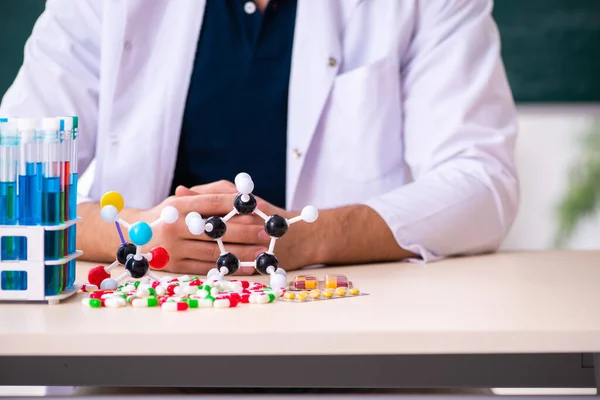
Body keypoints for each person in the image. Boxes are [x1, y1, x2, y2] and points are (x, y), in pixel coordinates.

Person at [0, 0, 519, 275]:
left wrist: (306, 236)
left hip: (353, 344)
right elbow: (10, 179)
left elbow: (482, 182)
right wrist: (134, 235)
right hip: (146, 344)